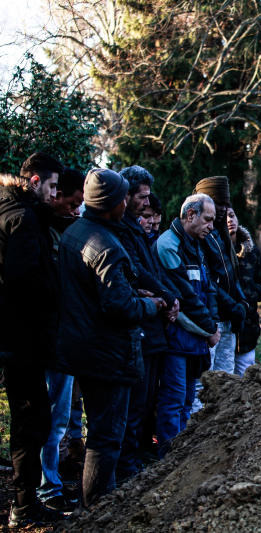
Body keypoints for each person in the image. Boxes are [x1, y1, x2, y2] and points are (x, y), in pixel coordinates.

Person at [56, 168, 167, 508]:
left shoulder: (74, 231)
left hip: (83, 350)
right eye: (124, 198)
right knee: (107, 438)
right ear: (114, 203)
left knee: (100, 434)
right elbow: (119, 306)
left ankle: (100, 501)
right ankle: (99, 509)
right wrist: (151, 305)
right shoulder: (105, 245)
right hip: (108, 354)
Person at [0, 153, 63, 527]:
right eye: (53, 186)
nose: (55, 195)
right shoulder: (22, 219)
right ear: (35, 180)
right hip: (22, 337)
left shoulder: (12, 213)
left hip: (16, 335)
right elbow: (26, 283)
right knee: (32, 419)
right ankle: (23, 507)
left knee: (30, 418)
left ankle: (24, 503)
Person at [116, 166, 179, 481]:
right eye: (141, 196)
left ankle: (137, 456)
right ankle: (126, 465)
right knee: (133, 405)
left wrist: (166, 296)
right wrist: (163, 294)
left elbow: (148, 272)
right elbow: (134, 272)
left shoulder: (136, 231)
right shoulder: (122, 230)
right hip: (137, 329)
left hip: (153, 328)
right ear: (125, 194)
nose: (146, 202)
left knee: (146, 402)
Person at [156, 194, 221, 456]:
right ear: (190, 215)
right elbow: (183, 297)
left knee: (185, 401)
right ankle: (167, 458)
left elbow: (208, 289)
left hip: (195, 339)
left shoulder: (197, 244)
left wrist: (212, 323)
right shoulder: (168, 245)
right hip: (176, 338)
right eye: (208, 219)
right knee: (173, 400)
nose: (212, 226)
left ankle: (180, 455)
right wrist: (209, 330)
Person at [38, 167, 85, 514]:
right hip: (49, 338)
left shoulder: (64, 231)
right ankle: (46, 486)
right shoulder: (42, 231)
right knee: (52, 416)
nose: (76, 209)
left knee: (61, 415)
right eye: (71, 201)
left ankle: (50, 481)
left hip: (63, 336)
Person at [193, 177, 247, 376]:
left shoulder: (221, 233)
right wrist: (232, 305)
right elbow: (208, 280)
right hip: (211, 320)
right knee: (205, 379)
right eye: (219, 204)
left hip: (228, 319)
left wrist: (241, 302)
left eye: (227, 204)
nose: (224, 209)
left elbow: (230, 273)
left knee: (226, 378)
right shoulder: (199, 235)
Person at [227, 207, 261, 375]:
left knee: (246, 379)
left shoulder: (250, 251)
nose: (230, 220)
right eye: (225, 217)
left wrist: (248, 295)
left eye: (232, 215)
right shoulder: (214, 252)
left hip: (248, 329)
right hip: (224, 330)